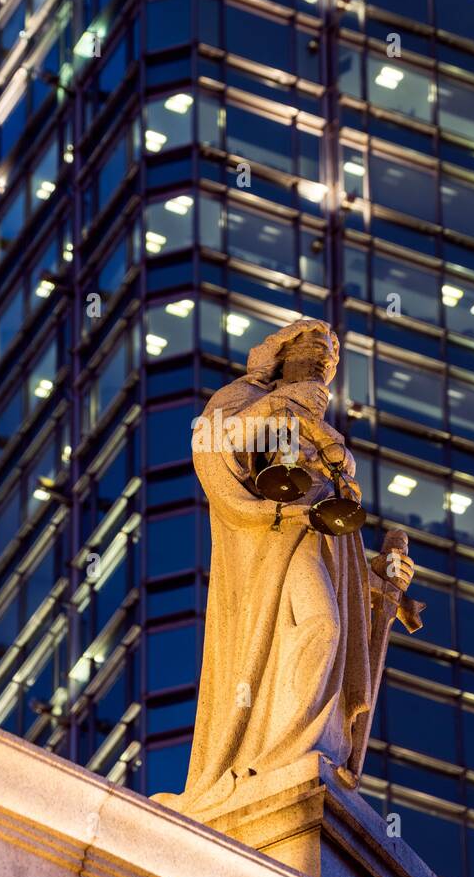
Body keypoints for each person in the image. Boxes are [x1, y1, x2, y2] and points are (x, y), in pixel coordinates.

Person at [154, 318, 414, 816]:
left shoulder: (326, 437)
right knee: (319, 626)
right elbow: (214, 450)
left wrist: (380, 580)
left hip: (321, 543)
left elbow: (343, 532)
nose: (324, 360)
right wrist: (280, 409)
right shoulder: (245, 399)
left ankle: (307, 752)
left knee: (327, 631)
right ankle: (279, 757)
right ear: (281, 354)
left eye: (332, 357)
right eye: (314, 347)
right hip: (271, 543)